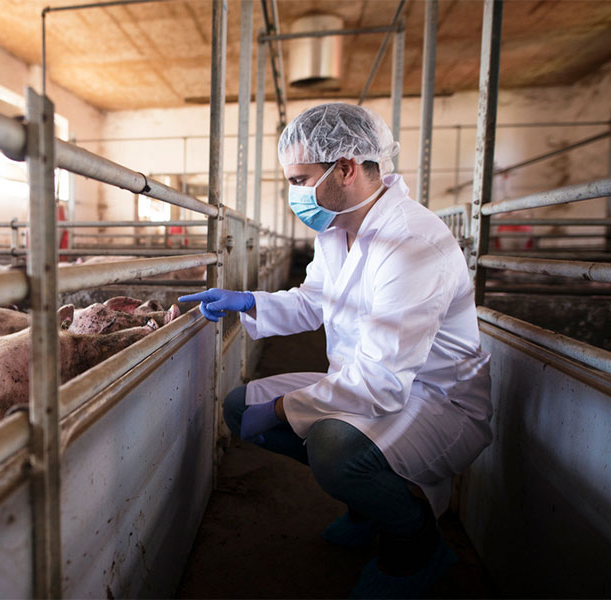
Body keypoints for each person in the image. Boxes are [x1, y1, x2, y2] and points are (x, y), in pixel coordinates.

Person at [179, 102, 493, 599]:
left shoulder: (411, 243)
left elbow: (383, 383)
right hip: (366, 384)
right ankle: (369, 506)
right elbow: (314, 302)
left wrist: (286, 408)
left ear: (346, 168)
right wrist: (247, 301)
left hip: (433, 401)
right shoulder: (337, 229)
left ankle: (414, 549)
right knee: (242, 408)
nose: (293, 195)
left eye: (301, 179)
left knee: (332, 447)